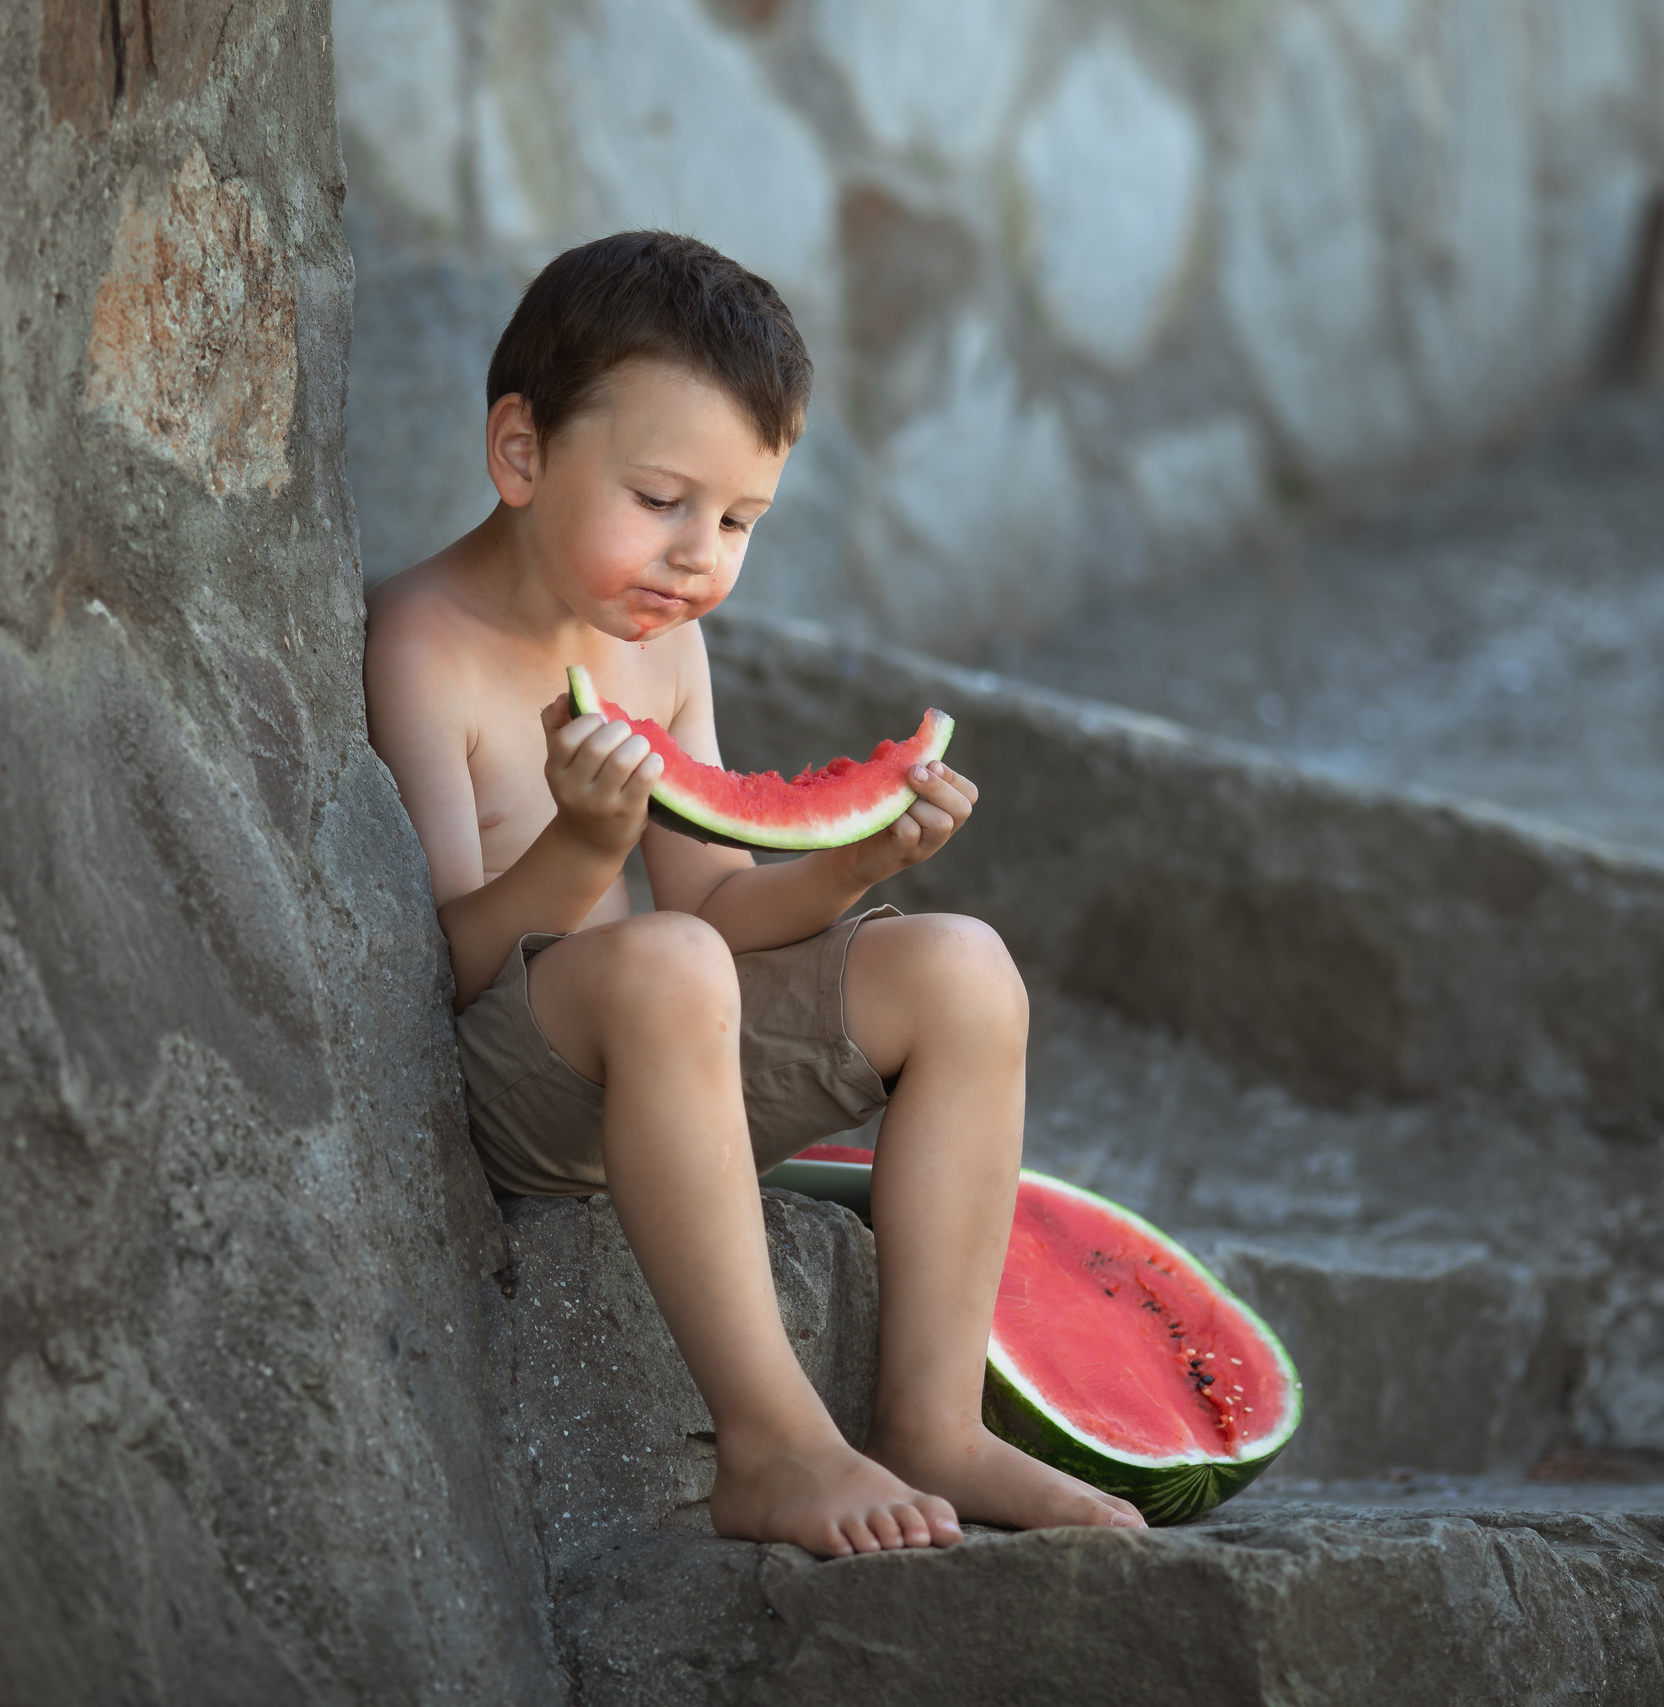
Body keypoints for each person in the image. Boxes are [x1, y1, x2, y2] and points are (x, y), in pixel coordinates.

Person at [365, 231, 1144, 1557]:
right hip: (511, 1085)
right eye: (661, 499)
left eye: (737, 523)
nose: (697, 559)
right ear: (520, 453)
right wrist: (581, 850)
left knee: (962, 968)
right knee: (666, 959)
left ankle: (932, 1422)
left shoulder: (665, 650)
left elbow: (720, 901)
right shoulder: (425, 644)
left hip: (669, 1055)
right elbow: (443, 969)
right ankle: (773, 1445)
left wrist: (854, 864)